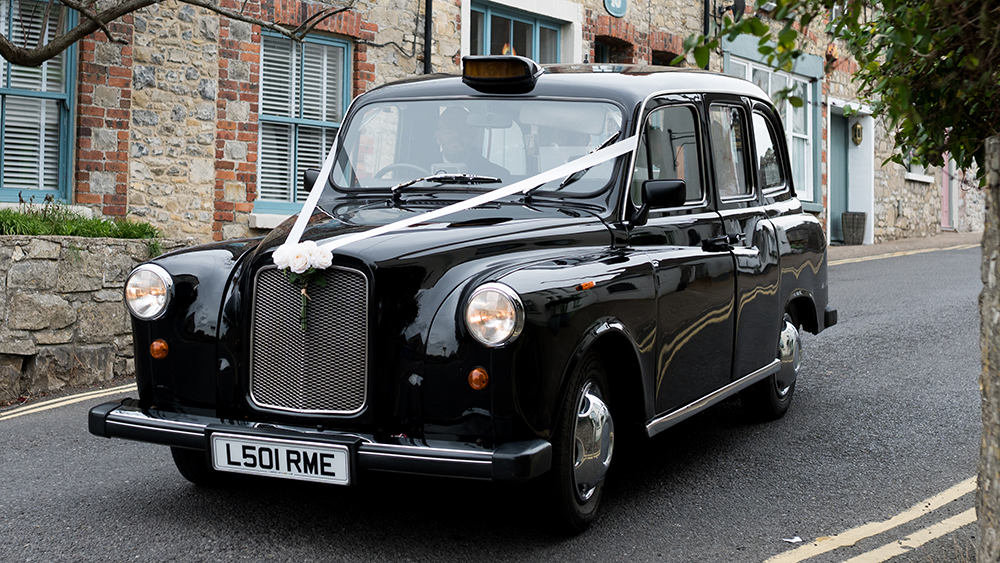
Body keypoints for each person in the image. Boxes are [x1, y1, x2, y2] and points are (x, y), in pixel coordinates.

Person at [434, 107, 509, 178]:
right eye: (447, 127)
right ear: (438, 137)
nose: (456, 134)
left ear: (473, 135)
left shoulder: (497, 176)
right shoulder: (424, 173)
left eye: (463, 127)